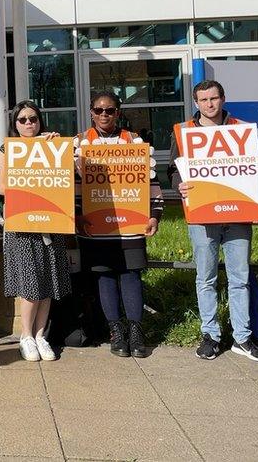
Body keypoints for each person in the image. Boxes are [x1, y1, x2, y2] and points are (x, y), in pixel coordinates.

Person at [167, 80, 258, 364]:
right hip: (202, 215)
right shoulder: (184, 132)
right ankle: (210, 335)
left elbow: (253, 170)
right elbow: (173, 169)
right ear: (196, 102)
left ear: (223, 99)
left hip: (237, 214)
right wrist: (179, 184)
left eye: (214, 98)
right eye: (203, 100)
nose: (209, 104)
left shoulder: (240, 129)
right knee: (206, 278)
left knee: (239, 278)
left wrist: (257, 199)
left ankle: (242, 337)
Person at [74, 91, 163, 359]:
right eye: (99, 110)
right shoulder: (79, 142)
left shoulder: (133, 140)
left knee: (131, 274)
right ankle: (116, 331)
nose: (104, 115)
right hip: (95, 222)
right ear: (91, 112)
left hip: (130, 221)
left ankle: (136, 331)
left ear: (118, 112)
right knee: (105, 275)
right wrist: (76, 216)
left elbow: (150, 180)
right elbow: (70, 184)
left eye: (110, 111)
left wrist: (155, 214)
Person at [0, 101, 72, 361]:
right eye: (23, 119)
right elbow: (0, 187)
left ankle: (41, 336)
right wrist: (30, 189)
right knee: (30, 283)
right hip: (22, 224)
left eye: (33, 118)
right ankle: (25, 336)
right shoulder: (8, 149)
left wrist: (56, 147)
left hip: (50, 221)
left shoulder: (51, 145)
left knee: (49, 281)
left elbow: (65, 177)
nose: (29, 123)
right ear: (15, 124)